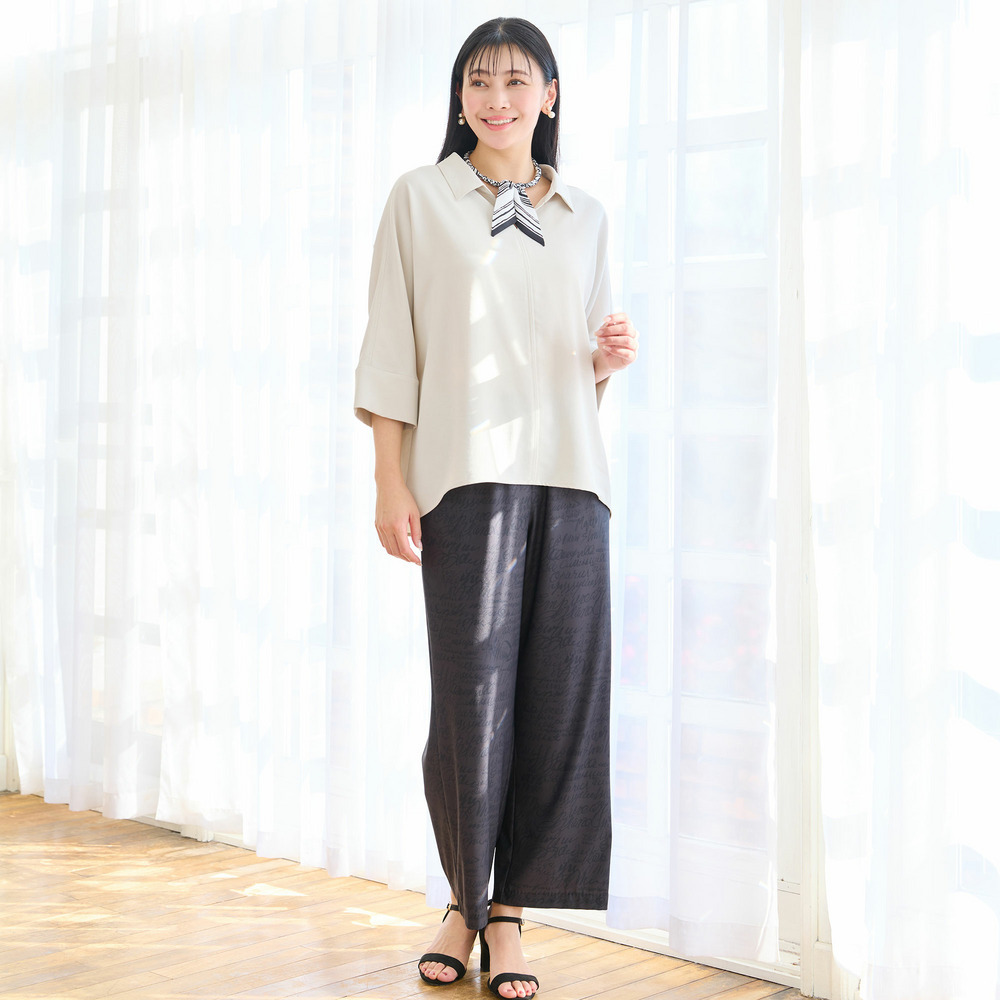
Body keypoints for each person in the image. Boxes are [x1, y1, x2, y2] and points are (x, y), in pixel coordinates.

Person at [353, 16, 639, 999]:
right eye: (479, 80)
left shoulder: (585, 215)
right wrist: (390, 477)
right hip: (463, 475)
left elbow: (574, 361)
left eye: (517, 81)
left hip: (571, 478)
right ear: (460, 96)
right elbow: (393, 344)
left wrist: (603, 360)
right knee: (473, 700)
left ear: (550, 96)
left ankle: (508, 913)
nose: (497, 98)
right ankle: (461, 902)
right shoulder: (421, 199)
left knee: (559, 704)